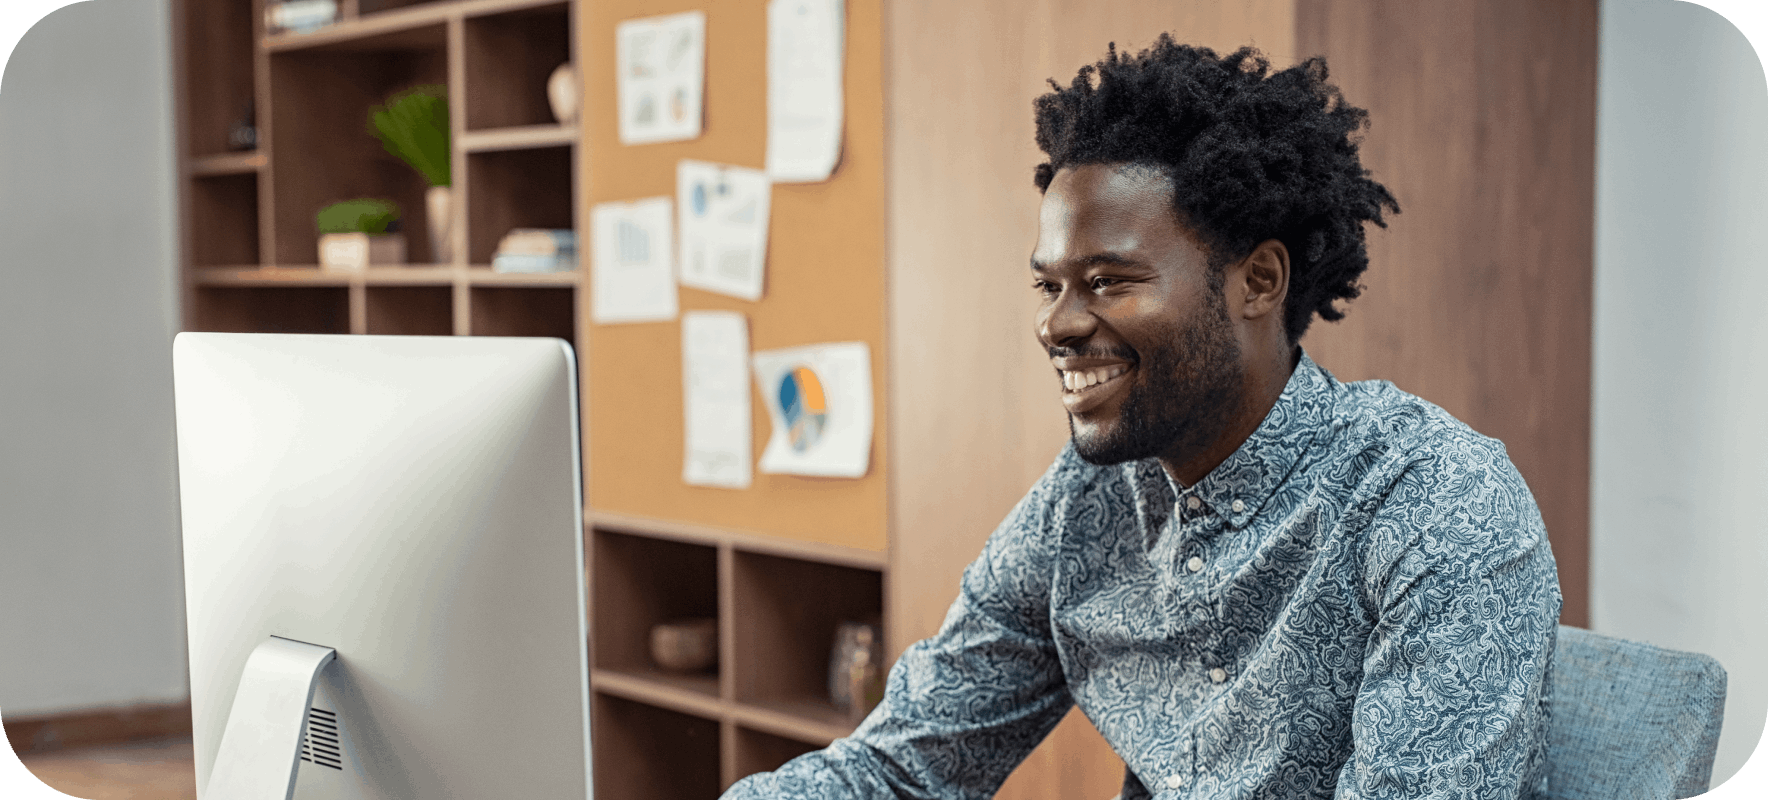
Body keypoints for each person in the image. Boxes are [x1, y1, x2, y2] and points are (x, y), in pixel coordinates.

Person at [722, 36, 1560, 800]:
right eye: (1049, 285)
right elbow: (902, 767)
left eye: (1109, 280)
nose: (1056, 324)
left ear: (1259, 281)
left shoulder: (1439, 504)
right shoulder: (1087, 504)